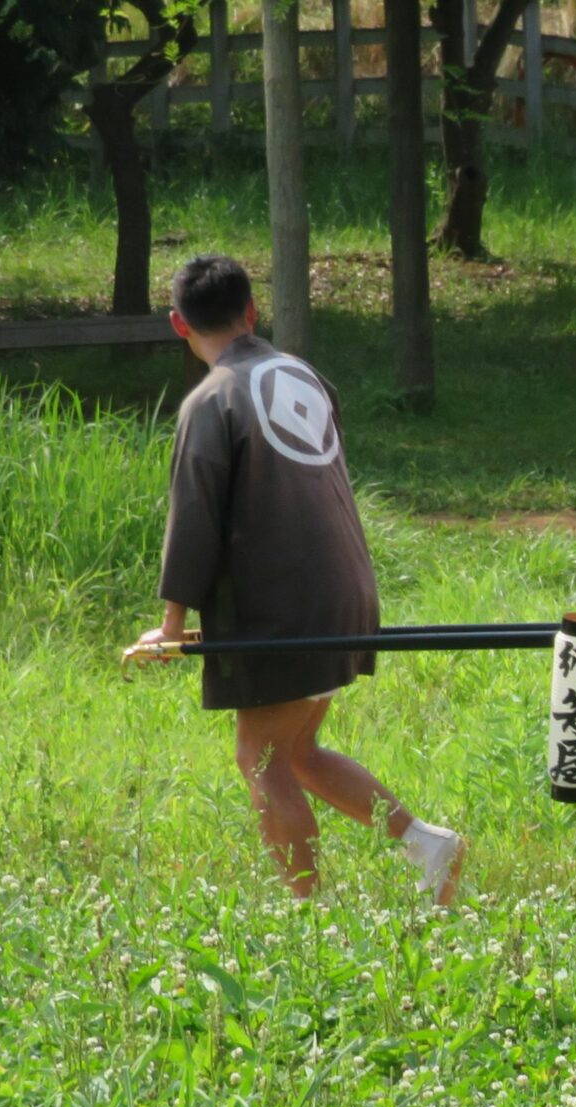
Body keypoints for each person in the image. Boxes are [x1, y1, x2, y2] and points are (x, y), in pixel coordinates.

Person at [146, 253, 465, 904]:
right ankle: (427, 844)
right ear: (252, 311)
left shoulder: (210, 400)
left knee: (260, 759)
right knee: (298, 752)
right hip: (348, 593)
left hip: (285, 607)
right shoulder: (305, 374)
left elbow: (194, 515)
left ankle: (308, 920)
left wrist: (173, 626)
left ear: (179, 325)